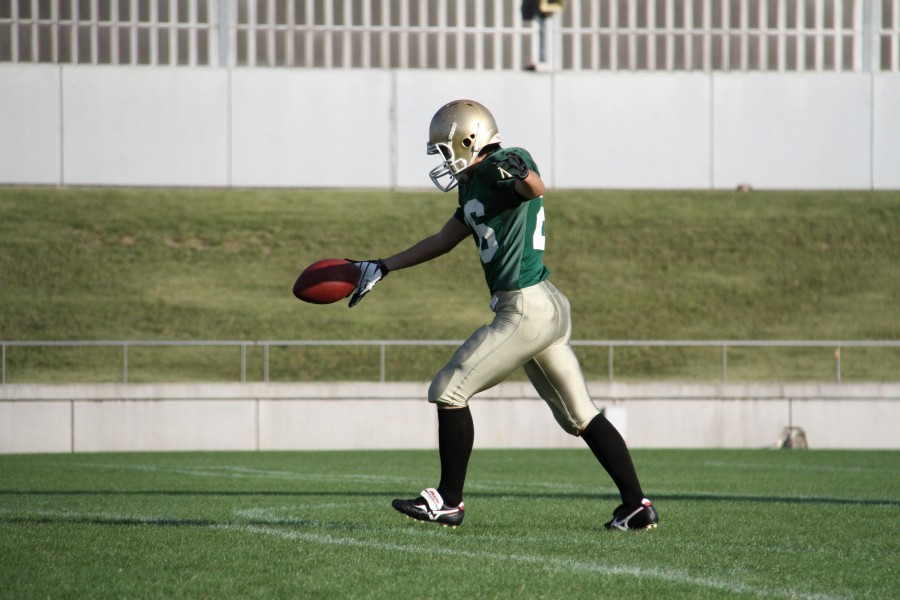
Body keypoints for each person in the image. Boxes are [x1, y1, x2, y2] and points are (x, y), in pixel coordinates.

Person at [348, 99, 658, 531]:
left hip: (524, 307)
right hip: (544, 305)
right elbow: (443, 239)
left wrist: (521, 170)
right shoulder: (474, 183)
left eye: (445, 149)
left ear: (468, 140)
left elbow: (534, 188)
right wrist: (383, 266)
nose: (443, 159)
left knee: (449, 389)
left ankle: (449, 501)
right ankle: (636, 506)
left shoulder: (500, 164)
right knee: (580, 415)